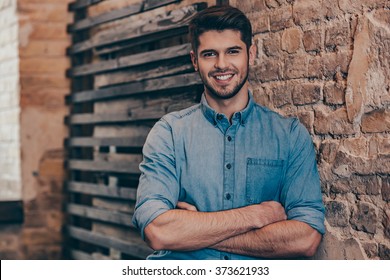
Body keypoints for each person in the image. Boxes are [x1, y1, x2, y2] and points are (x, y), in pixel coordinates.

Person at [132, 5, 325, 260]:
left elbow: (305, 238)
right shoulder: (168, 133)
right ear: (194, 61)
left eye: (232, 51)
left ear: (251, 54)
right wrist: (256, 216)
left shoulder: (289, 135)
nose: (221, 64)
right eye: (209, 54)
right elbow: (157, 231)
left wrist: (196, 230)